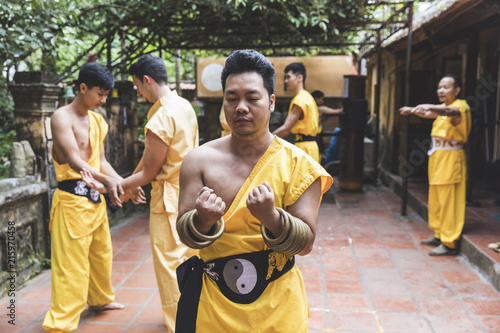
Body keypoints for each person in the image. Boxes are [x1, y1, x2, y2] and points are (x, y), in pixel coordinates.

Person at [174, 49, 333, 332]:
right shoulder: (198, 160)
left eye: (252, 97)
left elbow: (306, 243)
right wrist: (203, 220)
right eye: (231, 98)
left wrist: (272, 217)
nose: (241, 107)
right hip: (214, 305)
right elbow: (186, 234)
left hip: (278, 305)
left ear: (271, 102)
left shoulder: (301, 165)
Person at [82, 54, 199, 331]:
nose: (137, 92)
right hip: (189, 192)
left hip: (168, 199)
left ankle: (178, 324)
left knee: (170, 267)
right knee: (188, 259)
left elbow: (148, 172)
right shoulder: (184, 106)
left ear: (147, 80)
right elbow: (148, 165)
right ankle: (194, 316)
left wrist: (113, 188)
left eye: (137, 86)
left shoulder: (160, 118)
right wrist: (129, 186)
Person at [42, 62, 125, 332]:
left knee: (102, 255)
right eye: (100, 94)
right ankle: (62, 321)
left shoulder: (97, 120)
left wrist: (124, 184)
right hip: (71, 201)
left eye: (106, 95)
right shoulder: (61, 118)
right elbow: (76, 161)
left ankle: (100, 300)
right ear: (82, 87)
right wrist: (108, 181)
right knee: (71, 264)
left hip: (95, 200)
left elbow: (100, 161)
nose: (103, 100)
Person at [399, 74, 471, 256]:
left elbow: (449, 113)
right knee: (437, 198)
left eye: (446, 87)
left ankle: (450, 242)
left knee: (449, 200)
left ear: (457, 90)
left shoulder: (460, 106)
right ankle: (439, 234)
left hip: (451, 157)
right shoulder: (442, 109)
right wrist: (412, 110)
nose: (441, 90)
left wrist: (429, 106)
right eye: (439, 87)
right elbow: (430, 113)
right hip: (438, 157)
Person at [273, 62, 321, 162]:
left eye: (288, 77)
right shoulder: (308, 97)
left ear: (299, 78)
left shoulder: (300, 100)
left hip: (304, 148)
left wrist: (266, 140)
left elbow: (286, 129)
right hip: (311, 146)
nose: (285, 81)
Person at [311, 90, 343, 163]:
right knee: (317, 158)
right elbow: (337, 111)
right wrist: (341, 106)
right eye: (321, 99)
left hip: (311, 136)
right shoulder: (320, 109)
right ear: (316, 99)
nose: (322, 101)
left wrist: (322, 119)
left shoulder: (310, 109)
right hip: (317, 137)